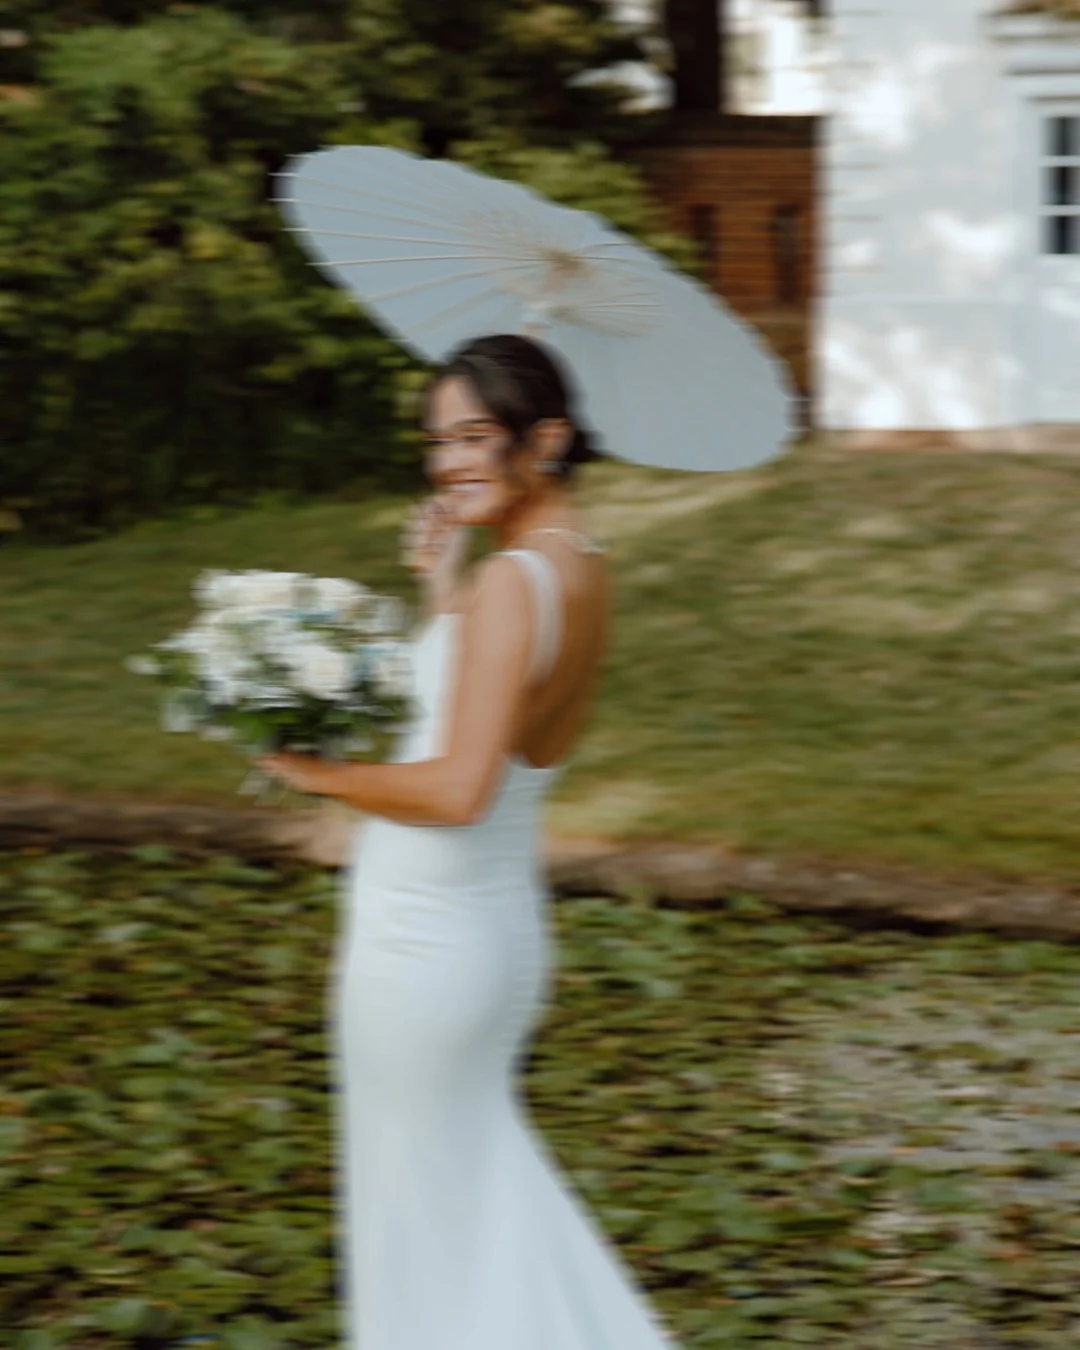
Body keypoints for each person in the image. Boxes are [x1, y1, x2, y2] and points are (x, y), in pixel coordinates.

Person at [258, 334, 679, 1348]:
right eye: (438, 441)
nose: (448, 464)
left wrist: (313, 774)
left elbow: (457, 790)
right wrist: (444, 589)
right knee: (469, 1214)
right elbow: (507, 717)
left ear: (549, 440)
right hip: (488, 938)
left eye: (474, 436)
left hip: (425, 951)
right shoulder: (578, 564)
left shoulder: (512, 584)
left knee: (430, 1228)